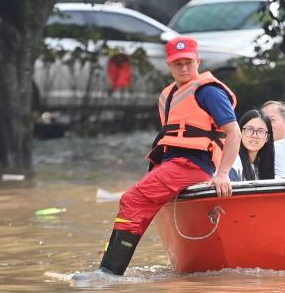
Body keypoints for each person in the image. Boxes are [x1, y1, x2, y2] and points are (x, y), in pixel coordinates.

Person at [82, 36, 240, 277]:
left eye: (189, 62)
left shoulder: (208, 91)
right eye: (178, 64)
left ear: (198, 61)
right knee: (133, 202)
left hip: (194, 164)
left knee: (132, 200)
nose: (184, 68)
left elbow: (233, 132)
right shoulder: (169, 95)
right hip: (173, 164)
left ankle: (109, 273)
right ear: (169, 64)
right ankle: (107, 266)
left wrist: (223, 174)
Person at [228, 109, 276, 181]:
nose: (254, 135)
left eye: (260, 131)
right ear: (240, 132)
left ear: (267, 138)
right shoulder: (233, 164)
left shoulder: (263, 166)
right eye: (249, 129)